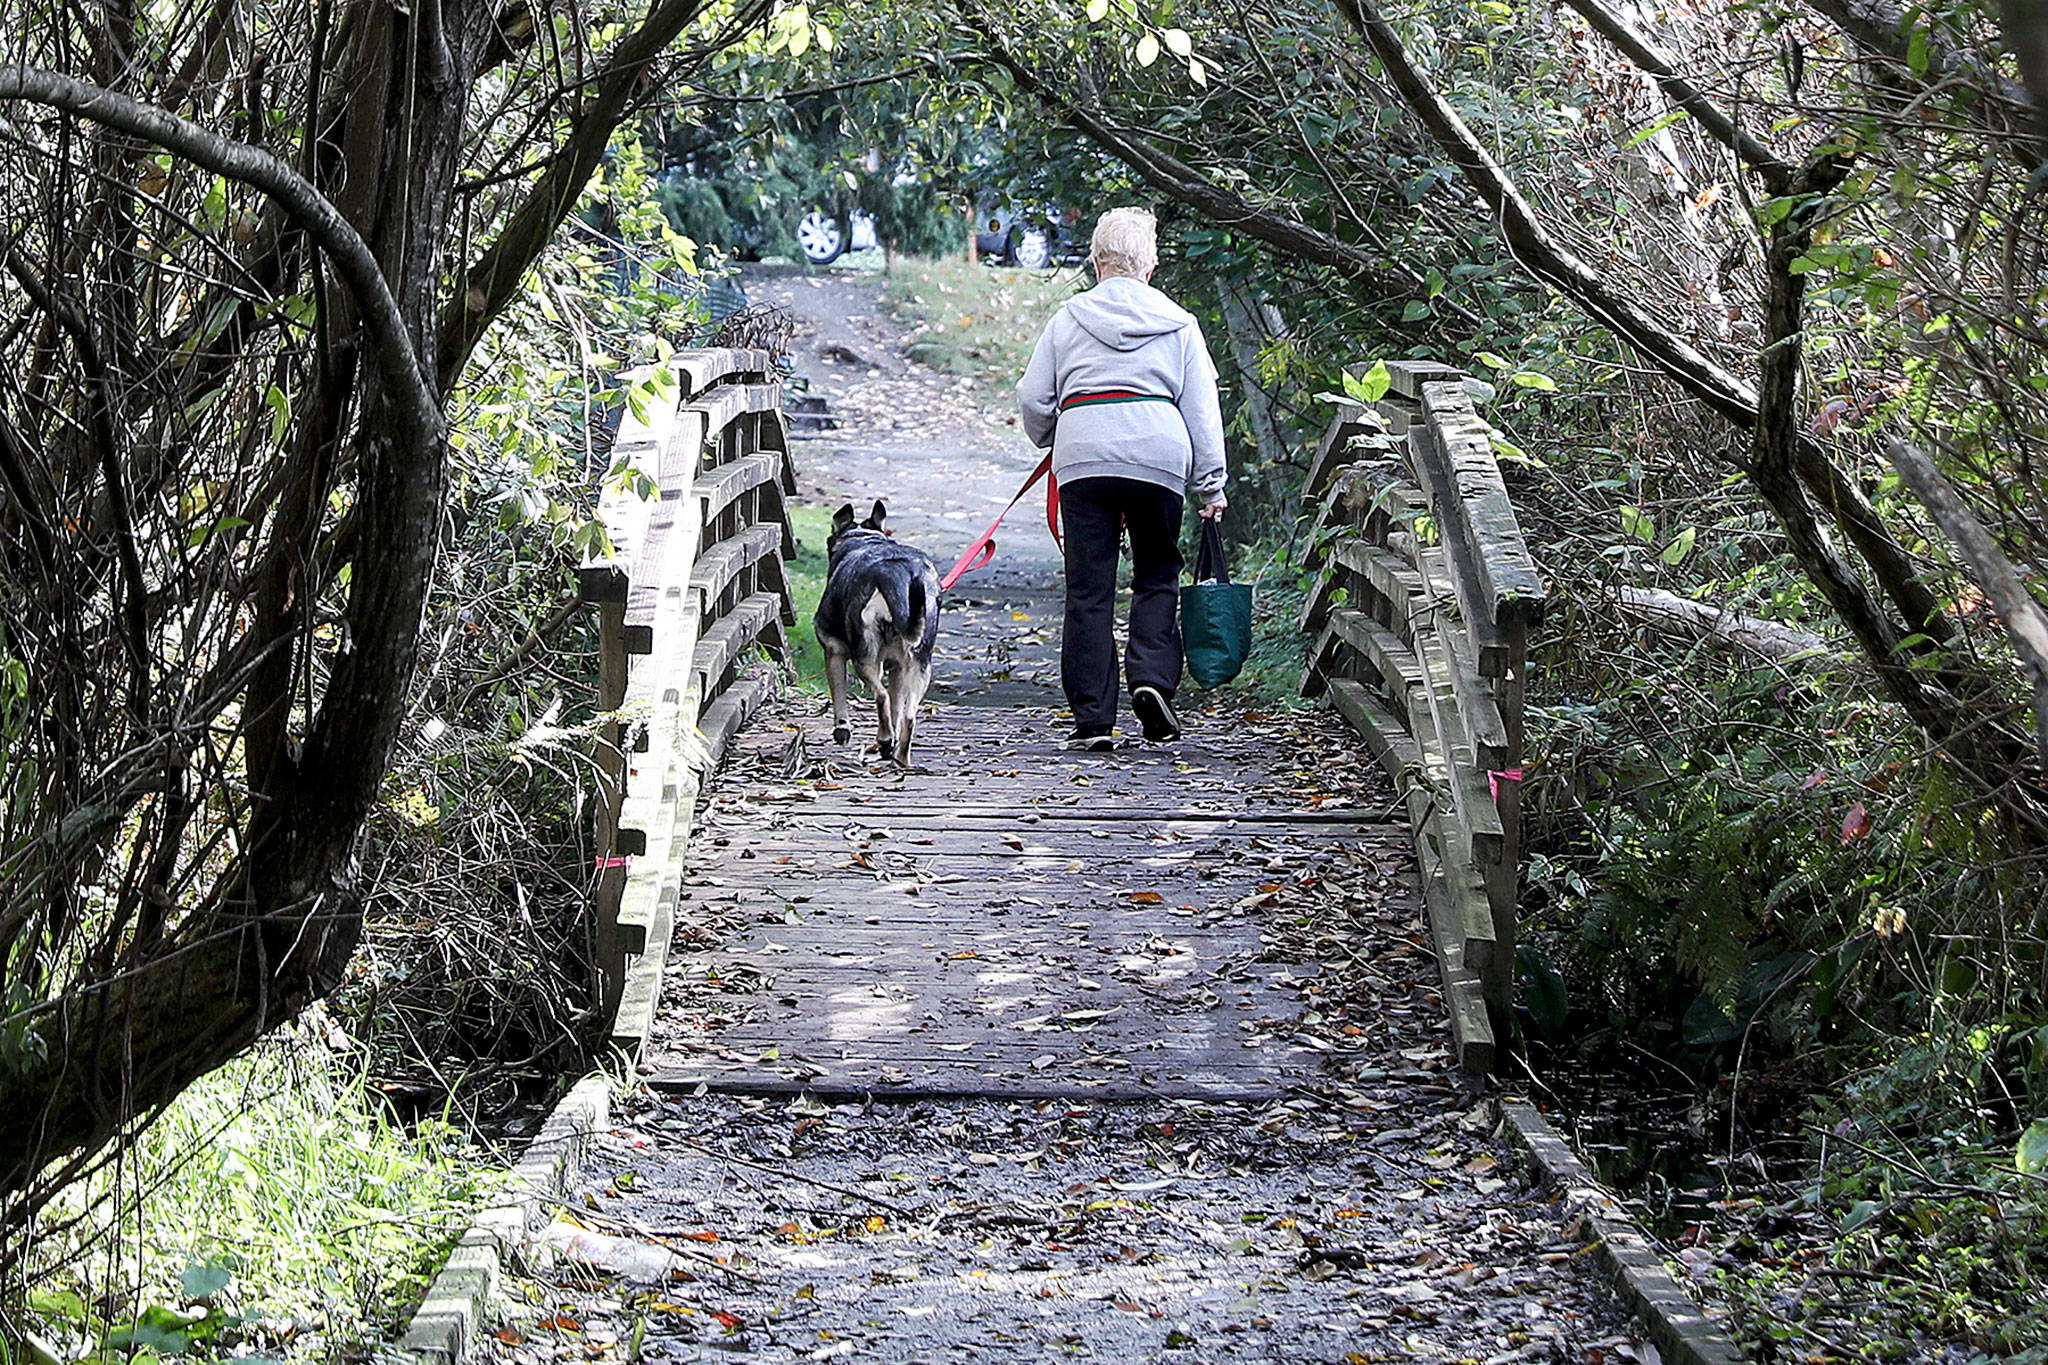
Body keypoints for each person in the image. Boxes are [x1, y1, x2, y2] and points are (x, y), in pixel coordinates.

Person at [1016, 207, 1228, 751]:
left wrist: (1053, 435)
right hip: (1158, 454)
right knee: (1157, 572)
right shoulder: (1179, 322)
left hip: (1085, 457)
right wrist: (1211, 483)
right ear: (1150, 266)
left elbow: (1033, 396)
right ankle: (1152, 682)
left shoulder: (1068, 318)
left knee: (1089, 588)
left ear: (1095, 261)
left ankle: (1092, 720)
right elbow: (1202, 409)